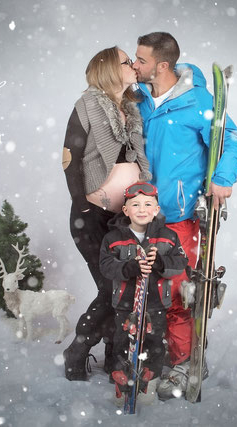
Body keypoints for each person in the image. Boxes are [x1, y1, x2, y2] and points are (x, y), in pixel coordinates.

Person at [131, 32, 237, 399]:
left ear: (163, 65)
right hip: (139, 211)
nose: (135, 65)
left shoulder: (196, 100)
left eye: (142, 60)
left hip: (179, 212)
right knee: (142, 288)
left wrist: (223, 178)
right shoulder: (140, 98)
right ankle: (155, 353)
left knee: (178, 290)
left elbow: (230, 138)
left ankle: (185, 361)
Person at [61, 46, 151, 381]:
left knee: (123, 287)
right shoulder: (87, 105)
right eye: (127, 62)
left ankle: (115, 358)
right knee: (114, 287)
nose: (133, 65)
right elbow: (71, 157)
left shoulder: (130, 107)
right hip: (92, 216)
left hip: (122, 219)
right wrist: (82, 203)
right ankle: (78, 351)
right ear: (111, 70)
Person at [98, 182, 188, 403]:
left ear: (156, 210)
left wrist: (160, 262)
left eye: (148, 204)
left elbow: (181, 262)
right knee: (122, 340)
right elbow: (105, 265)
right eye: (135, 204)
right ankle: (122, 378)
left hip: (156, 303)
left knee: (154, 341)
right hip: (125, 302)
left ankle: (149, 378)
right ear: (126, 210)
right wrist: (128, 268)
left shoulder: (168, 237)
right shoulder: (113, 238)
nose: (142, 209)